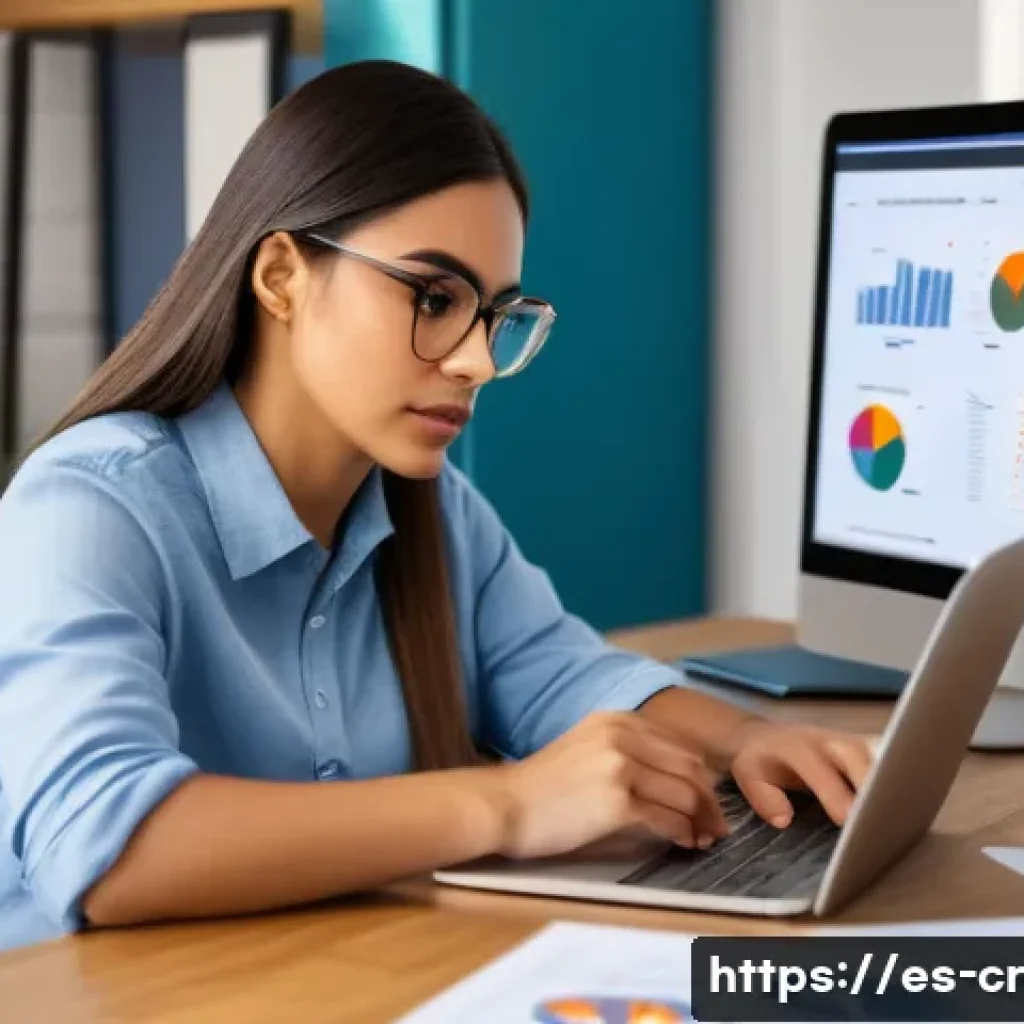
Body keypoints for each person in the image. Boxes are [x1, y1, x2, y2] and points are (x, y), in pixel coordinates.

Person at [0, 60, 872, 952]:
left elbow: (563, 675)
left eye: (494, 314)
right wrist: (507, 806)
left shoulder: (430, 510)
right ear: (281, 278)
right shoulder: (92, 509)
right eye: (432, 297)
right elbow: (98, 846)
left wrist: (749, 743)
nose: (476, 362)